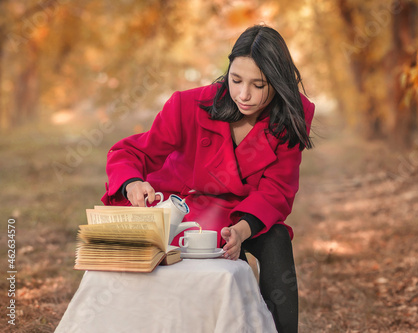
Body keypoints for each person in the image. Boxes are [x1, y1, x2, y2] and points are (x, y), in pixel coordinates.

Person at [102, 24, 314, 333]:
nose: (244, 94)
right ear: (227, 71)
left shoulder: (290, 117)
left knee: (277, 238)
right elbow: (132, 153)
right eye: (236, 80)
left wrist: (242, 231)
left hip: (240, 214)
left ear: (278, 84)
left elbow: (277, 190)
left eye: (259, 85)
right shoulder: (188, 105)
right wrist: (133, 182)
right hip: (179, 210)